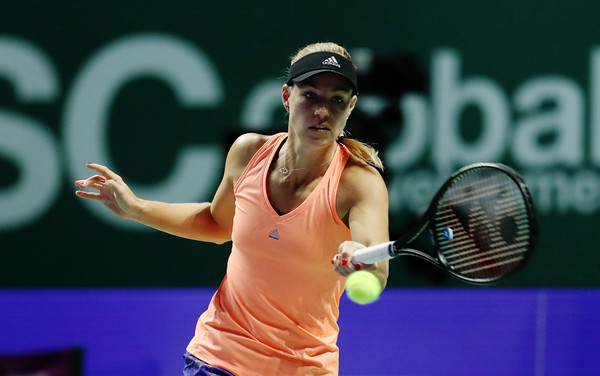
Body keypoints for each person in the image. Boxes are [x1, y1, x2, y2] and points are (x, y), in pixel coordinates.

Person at [75, 42, 389, 376]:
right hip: (218, 358)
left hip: (304, 368)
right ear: (287, 96)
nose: (322, 112)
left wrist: (360, 260)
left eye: (336, 100)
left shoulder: (358, 183)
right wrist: (136, 208)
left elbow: (377, 270)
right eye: (310, 95)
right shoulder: (247, 152)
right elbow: (216, 224)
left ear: (351, 106)